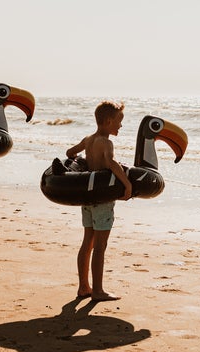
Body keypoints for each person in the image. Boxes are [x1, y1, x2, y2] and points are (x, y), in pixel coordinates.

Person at [65, 101, 132, 301]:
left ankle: (83, 287)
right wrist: (127, 185)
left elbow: (70, 153)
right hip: (102, 199)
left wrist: (82, 161)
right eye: (119, 121)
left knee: (88, 243)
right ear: (109, 121)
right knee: (100, 246)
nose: (120, 126)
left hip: (88, 197)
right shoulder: (106, 142)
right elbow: (111, 163)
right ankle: (98, 290)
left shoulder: (89, 139)